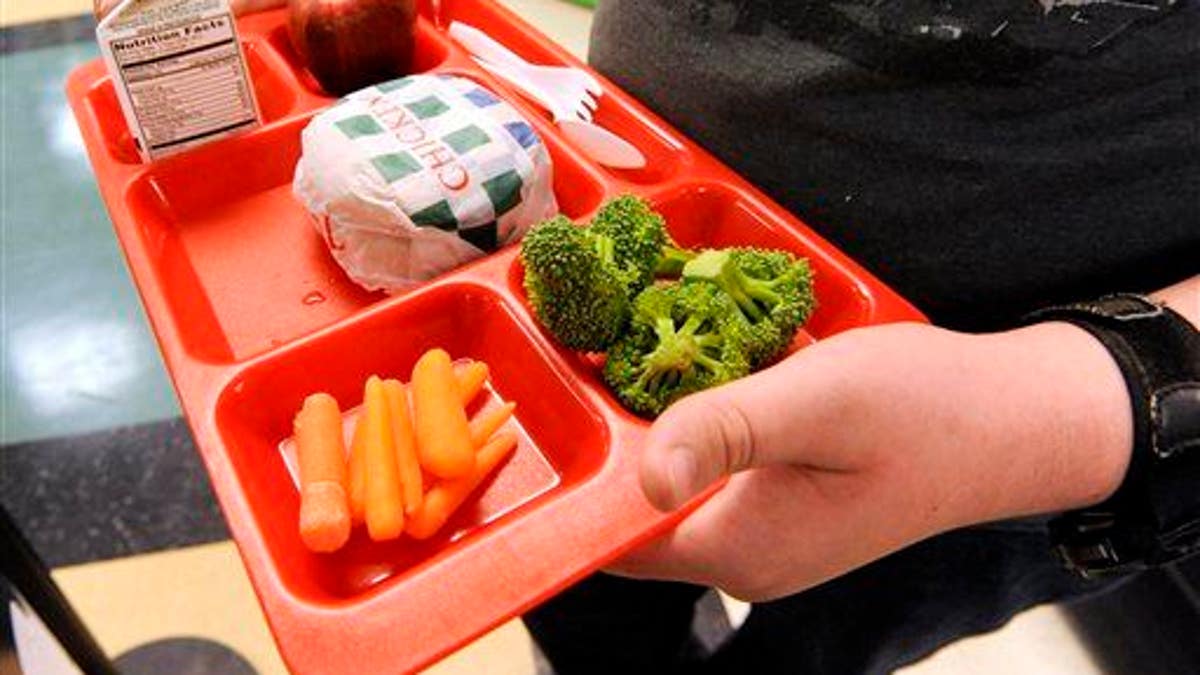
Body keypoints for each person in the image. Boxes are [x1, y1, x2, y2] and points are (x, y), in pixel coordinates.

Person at [524, 1, 1199, 673]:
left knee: (813, 652)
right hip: (610, 182)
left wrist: (1021, 420)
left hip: (1011, 445)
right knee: (584, 623)